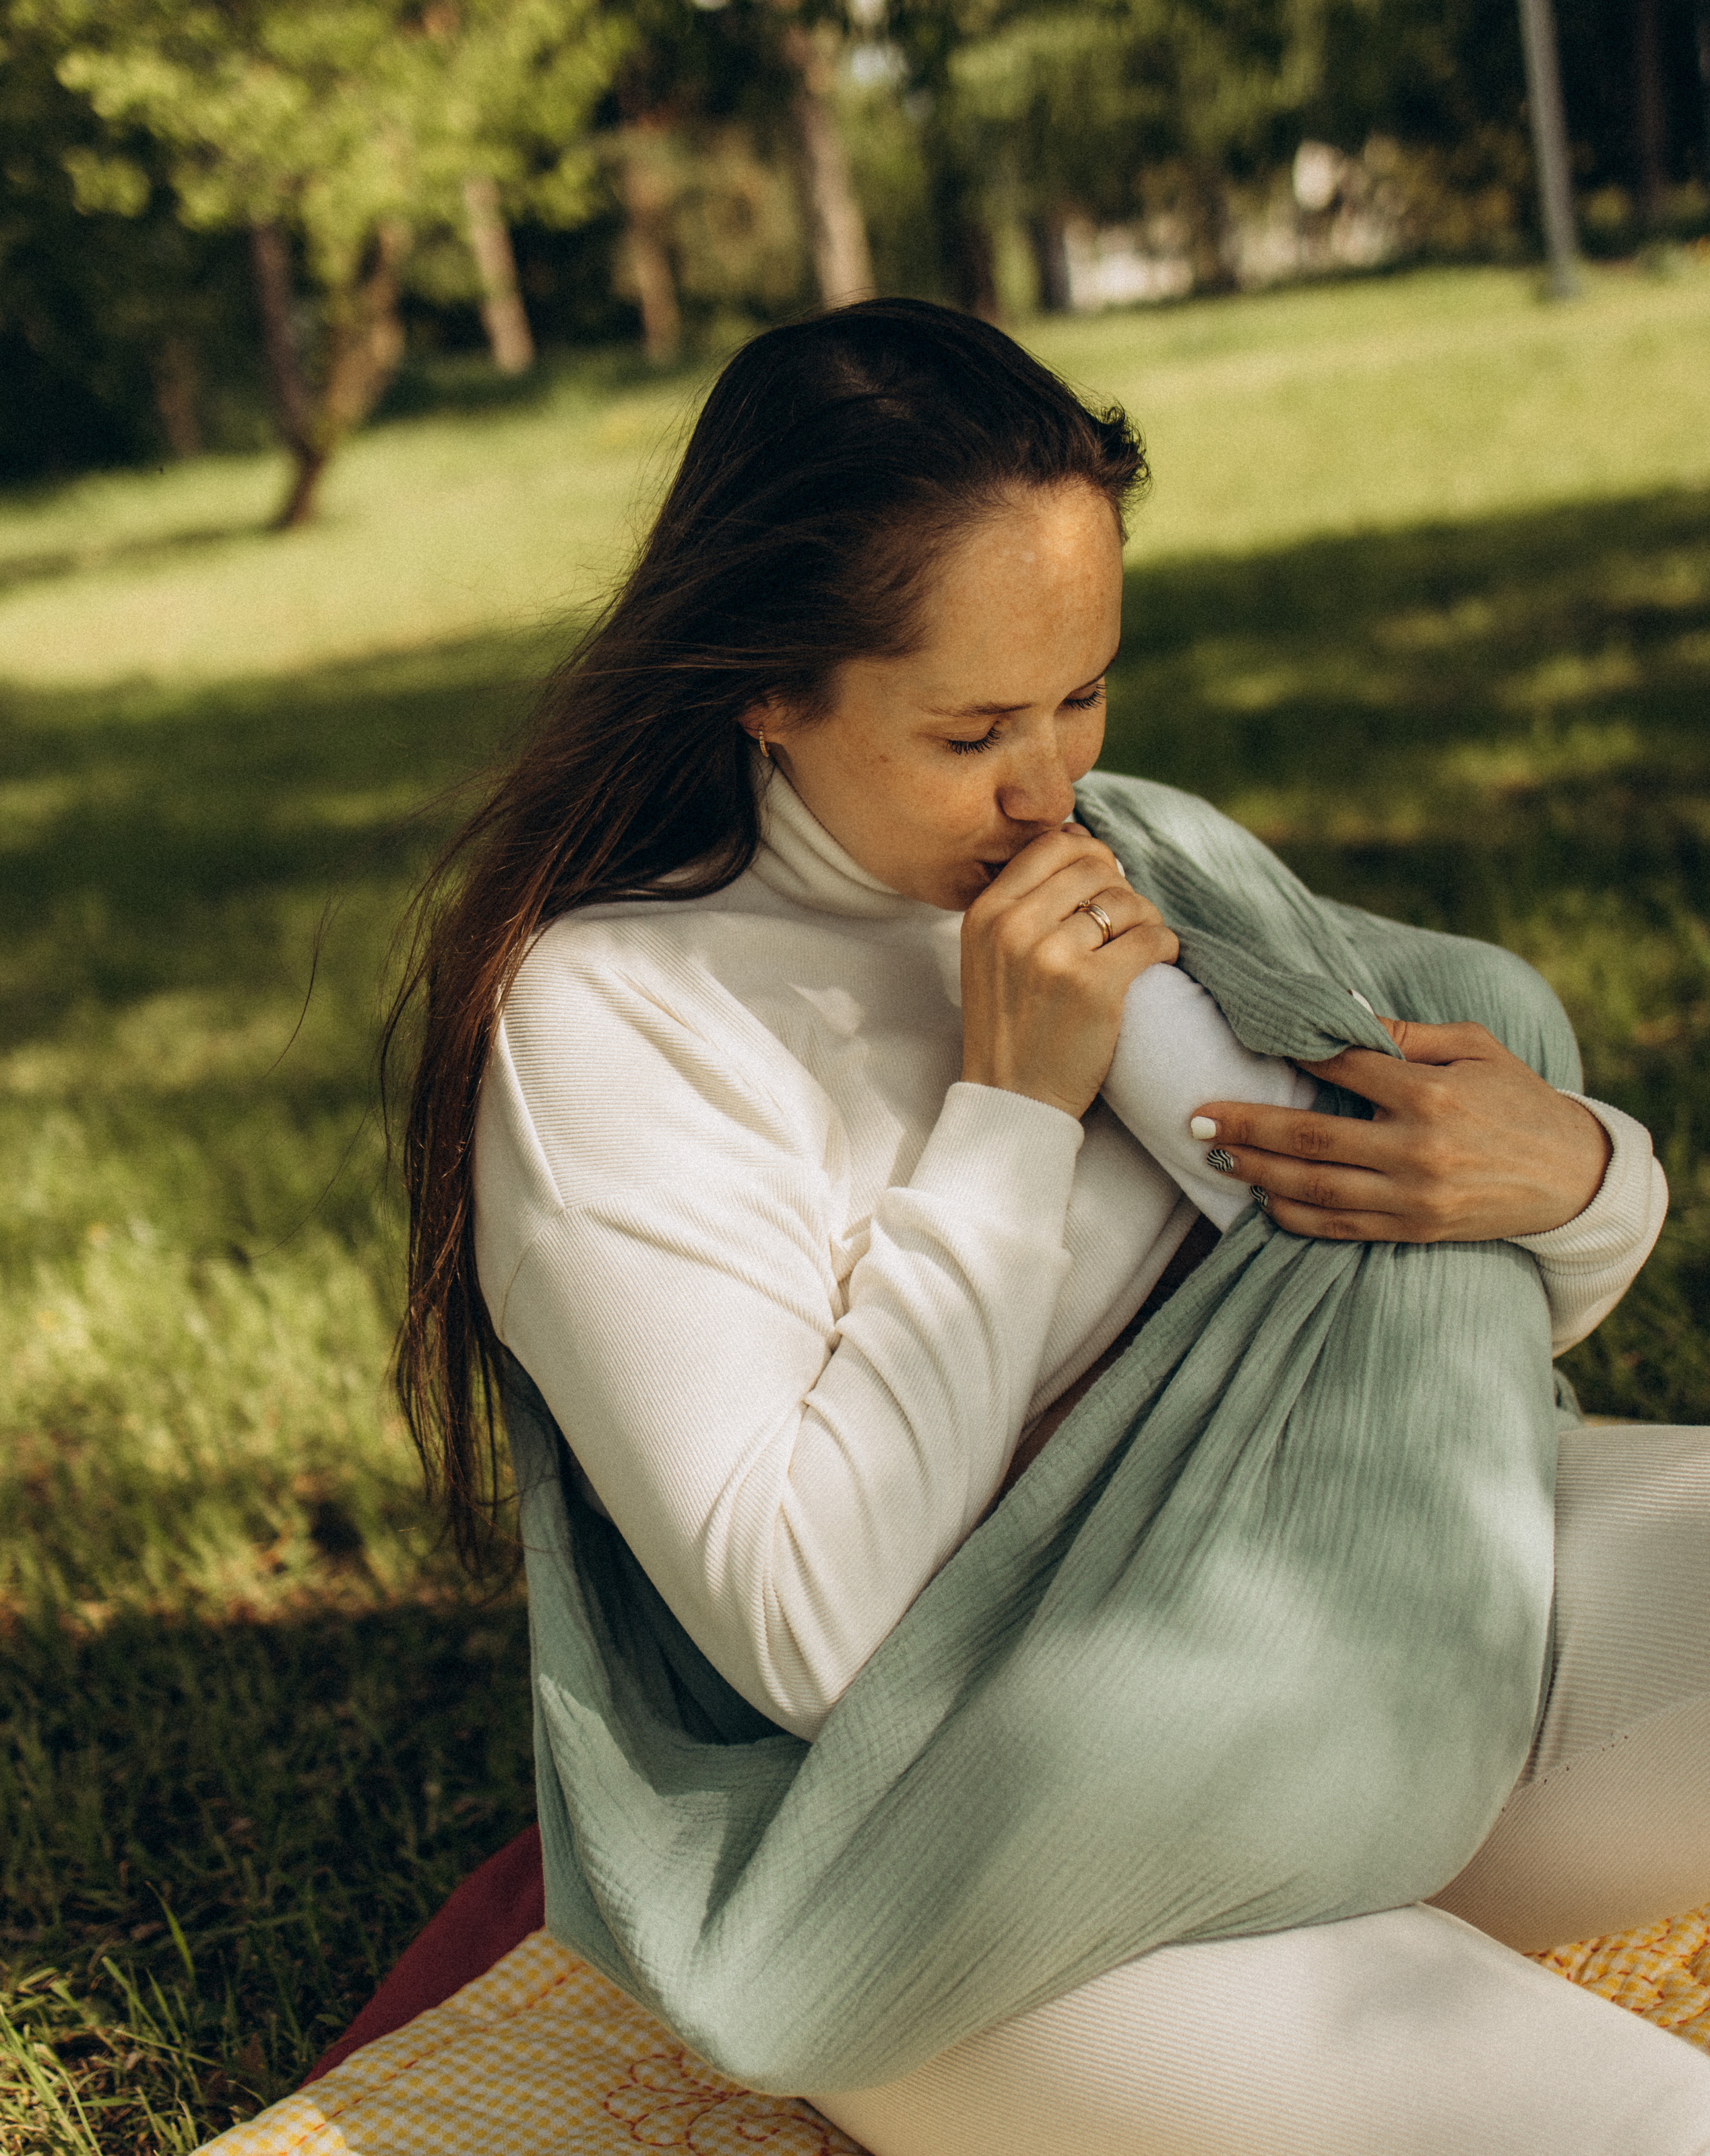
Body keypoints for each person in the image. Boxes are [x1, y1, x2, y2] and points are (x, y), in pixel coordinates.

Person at [391, 299, 1709, 2152]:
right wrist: (1007, 1111)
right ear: (765, 682)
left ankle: (1366, 1878)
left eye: (1085, 692)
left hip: (1356, 1652)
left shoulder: (1147, 858)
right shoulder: (624, 1019)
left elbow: (1417, 1350)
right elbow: (812, 1637)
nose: (1049, 786)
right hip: (966, 1849)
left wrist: (1570, 1177)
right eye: (972, 728)